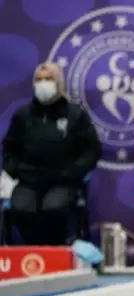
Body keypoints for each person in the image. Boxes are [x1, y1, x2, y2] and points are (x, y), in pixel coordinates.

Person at [2, 62, 101, 245]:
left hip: (63, 181)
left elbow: (91, 151)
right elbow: (9, 149)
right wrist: (15, 170)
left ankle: (53, 251)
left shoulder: (75, 115)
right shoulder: (23, 115)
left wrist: (73, 173)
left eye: (48, 79)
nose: (43, 83)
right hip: (29, 180)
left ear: (59, 82)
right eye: (39, 80)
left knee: (53, 208)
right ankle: (34, 250)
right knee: (22, 207)